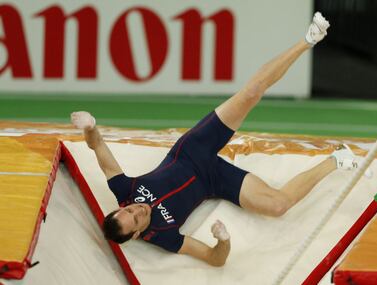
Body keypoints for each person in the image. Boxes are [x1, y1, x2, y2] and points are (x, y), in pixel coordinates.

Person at [71, 12, 353, 267]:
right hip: (213, 181)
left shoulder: (124, 191)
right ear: (135, 235)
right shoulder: (163, 237)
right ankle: (336, 158)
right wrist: (223, 240)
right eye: (136, 218)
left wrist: (89, 128)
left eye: (130, 209)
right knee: (277, 206)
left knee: (251, 92)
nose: (139, 210)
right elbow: (213, 259)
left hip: (193, 150)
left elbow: (99, 149)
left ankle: (308, 39)